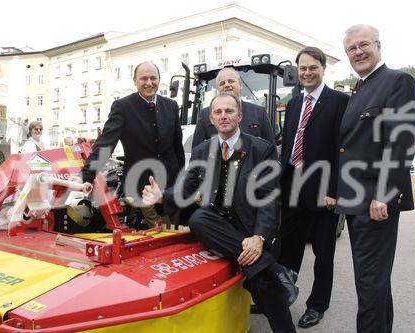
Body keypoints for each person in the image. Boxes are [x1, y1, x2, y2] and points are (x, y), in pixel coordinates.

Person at [143, 93, 298, 333]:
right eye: (218, 112)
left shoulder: (262, 149)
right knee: (198, 219)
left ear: (240, 116)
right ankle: (274, 269)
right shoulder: (203, 151)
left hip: (251, 227)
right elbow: (187, 187)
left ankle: (268, 275)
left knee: (261, 284)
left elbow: (269, 199)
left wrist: (259, 238)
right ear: (211, 120)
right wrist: (162, 196)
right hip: (219, 228)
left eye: (229, 111)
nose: (224, 116)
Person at [336, 24, 415, 333]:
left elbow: (401, 142)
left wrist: (384, 193)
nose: (357, 52)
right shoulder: (360, 88)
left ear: (378, 45)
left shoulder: (397, 81)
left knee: (370, 282)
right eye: (351, 49)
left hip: (376, 200)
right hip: (357, 200)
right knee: (373, 280)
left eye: (363, 45)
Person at [278, 47, 349, 328]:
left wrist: (335, 191)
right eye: (303, 68)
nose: (307, 73)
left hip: (323, 191)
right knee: (287, 248)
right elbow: (288, 145)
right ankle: (282, 293)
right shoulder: (294, 103)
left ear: (323, 68)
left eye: (312, 67)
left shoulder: (339, 101)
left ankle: (317, 305)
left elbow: (342, 150)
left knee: (323, 253)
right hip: (292, 187)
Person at [81, 61, 185, 226]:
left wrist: (181, 180)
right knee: (160, 231)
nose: (149, 83)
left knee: (174, 229)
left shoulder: (171, 106)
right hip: (141, 184)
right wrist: (86, 176)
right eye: (144, 78)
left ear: (159, 79)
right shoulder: (123, 107)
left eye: (153, 78)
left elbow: (177, 147)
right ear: (135, 81)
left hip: (171, 184)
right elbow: (106, 144)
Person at [192, 67, 275, 148]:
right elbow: (196, 151)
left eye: (231, 81)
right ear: (218, 89)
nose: (227, 85)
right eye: (222, 83)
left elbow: (271, 150)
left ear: (240, 85)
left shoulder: (259, 113)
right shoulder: (205, 114)